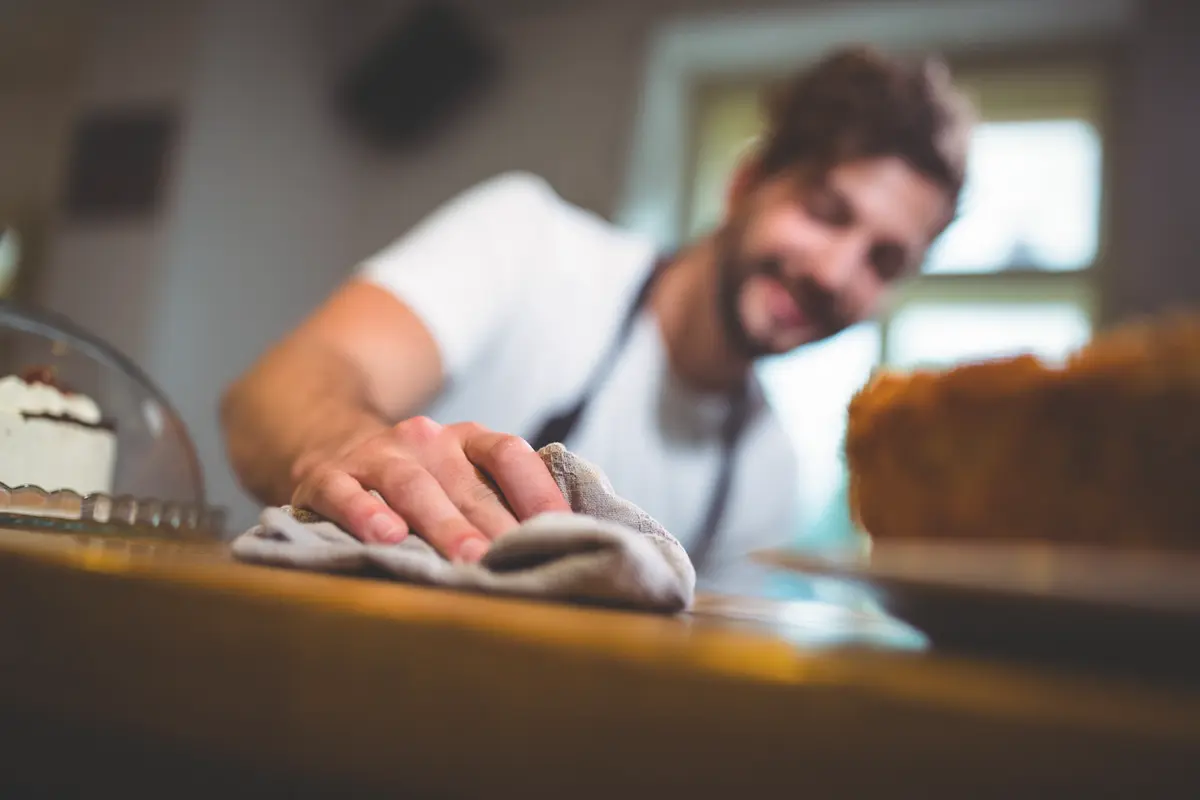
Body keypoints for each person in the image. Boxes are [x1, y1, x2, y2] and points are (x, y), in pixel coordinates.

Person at [220, 45, 974, 595]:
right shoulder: (530, 242)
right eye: (824, 211)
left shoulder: (767, 476)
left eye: (882, 260)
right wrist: (351, 454)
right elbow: (269, 398)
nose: (837, 272)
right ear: (746, 184)